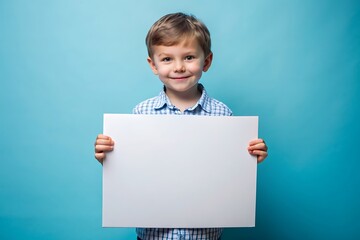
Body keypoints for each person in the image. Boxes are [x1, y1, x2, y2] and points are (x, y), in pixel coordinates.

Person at [94, 12, 268, 240]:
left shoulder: (223, 114)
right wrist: (109, 156)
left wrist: (252, 154)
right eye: (167, 59)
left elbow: (227, 172)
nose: (178, 67)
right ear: (153, 65)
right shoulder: (140, 114)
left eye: (189, 57)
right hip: (153, 236)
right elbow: (132, 171)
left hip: (204, 235)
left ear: (206, 61)